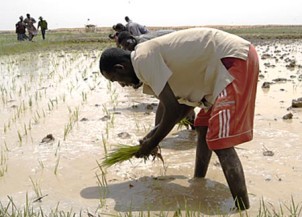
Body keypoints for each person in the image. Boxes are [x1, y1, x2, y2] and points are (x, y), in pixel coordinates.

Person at [99, 27, 259, 210]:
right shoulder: (145, 60)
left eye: (116, 79)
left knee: (220, 141)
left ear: (120, 67)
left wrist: (151, 143)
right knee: (203, 126)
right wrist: (154, 134)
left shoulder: (142, 59)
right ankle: (199, 181)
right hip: (219, 68)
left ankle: (243, 208)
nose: (122, 85)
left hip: (233, 60)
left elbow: (172, 109)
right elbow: (183, 105)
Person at [117, 29, 196, 130]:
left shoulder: (143, 46)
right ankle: (161, 130)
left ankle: (192, 124)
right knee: (167, 98)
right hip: (173, 56)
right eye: (125, 47)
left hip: (183, 51)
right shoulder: (138, 50)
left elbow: (149, 68)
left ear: (132, 38)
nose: (128, 48)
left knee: (180, 97)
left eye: (128, 44)